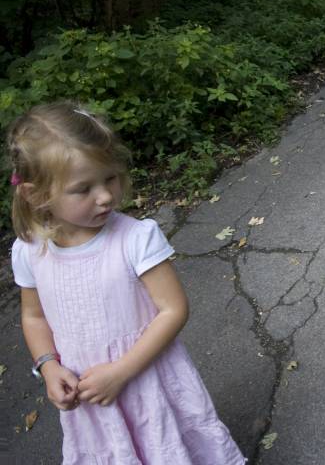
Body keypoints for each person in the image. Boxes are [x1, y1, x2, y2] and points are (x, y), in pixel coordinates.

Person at [8, 102, 245, 464]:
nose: (104, 196)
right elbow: (34, 318)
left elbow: (173, 309)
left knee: (168, 448)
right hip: (89, 393)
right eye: (83, 188)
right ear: (35, 195)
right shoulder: (30, 251)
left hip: (147, 380)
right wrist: (48, 366)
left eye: (110, 178)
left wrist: (121, 372)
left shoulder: (135, 239)